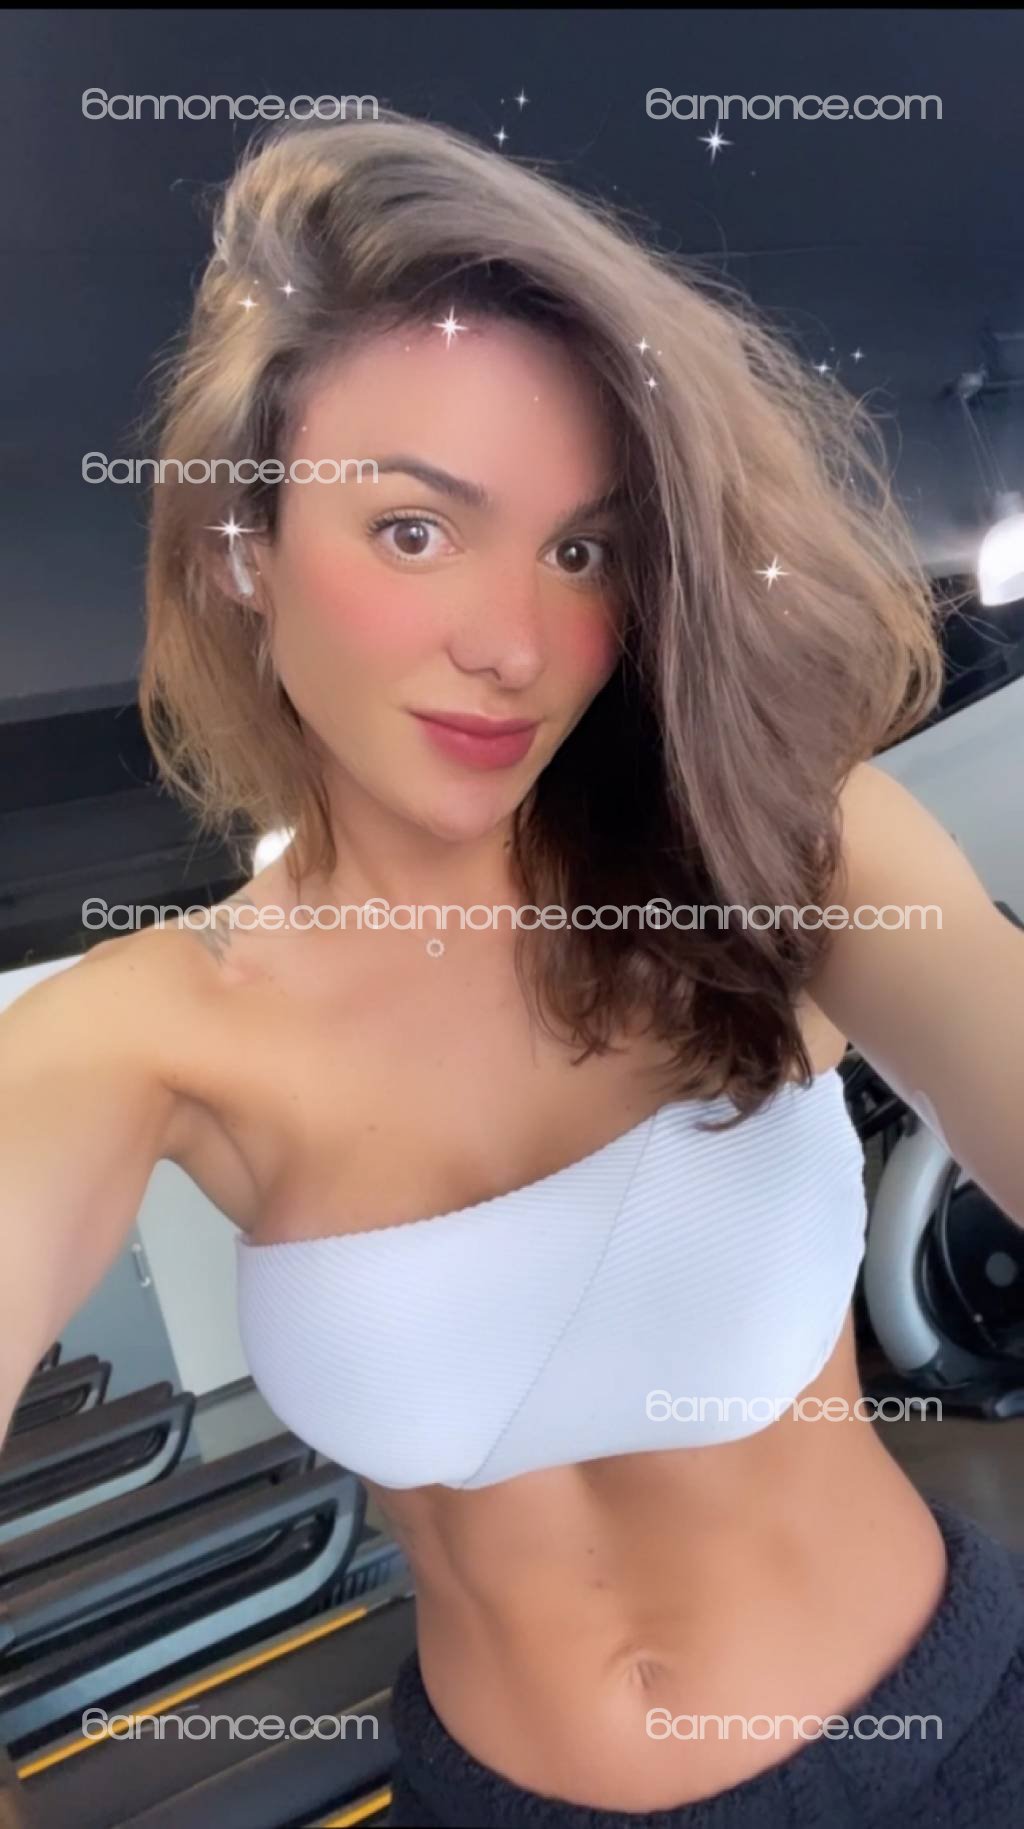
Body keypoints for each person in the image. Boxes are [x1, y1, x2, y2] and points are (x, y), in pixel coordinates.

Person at [3, 109, 1023, 1829]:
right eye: (415, 530)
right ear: (247, 551)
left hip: (950, 1753)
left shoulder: (773, 847)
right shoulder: (141, 1035)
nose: (514, 643)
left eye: (582, 548)